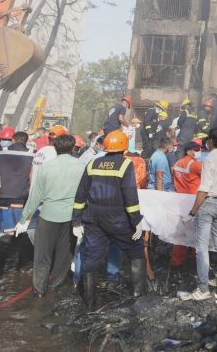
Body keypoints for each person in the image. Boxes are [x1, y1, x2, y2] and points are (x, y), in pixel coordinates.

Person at [72, 130, 145, 307]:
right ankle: (139, 296)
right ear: (124, 147)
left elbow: (81, 193)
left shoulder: (93, 163)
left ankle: (89, 302)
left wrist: (76, 221)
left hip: (93, 217)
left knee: (91, 257)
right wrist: (136, 221)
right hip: (117, 217)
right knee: (136, 250)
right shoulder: (125, 164)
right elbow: (129, 195)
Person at [14, 134, 86, 296]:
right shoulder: (82, 166)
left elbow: (35, 196)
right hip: (72, 217)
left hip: (48, 216)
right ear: (73, 148)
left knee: (42, 255)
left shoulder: (46, 167)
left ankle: (39, 290)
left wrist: (24, 219)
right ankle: (56, 286)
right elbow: (86, 194)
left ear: (55, 148)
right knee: (64, 255)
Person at [180, 129, 217, 300]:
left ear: (211, 141)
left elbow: (203, 190)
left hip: (208, 204)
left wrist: (192, 213)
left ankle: (203, 289)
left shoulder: (209, 159)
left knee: (201, 248)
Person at [171, 141, 202, 268]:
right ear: (189, 151)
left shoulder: (177, 163)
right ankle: (196, 260)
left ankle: (177, 262)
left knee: (181, 233)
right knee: (197, 232)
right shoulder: (195, 164)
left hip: (180, 200)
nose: (199, 152)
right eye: (197, 150)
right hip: (194, 202)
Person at [0, 131, 33, 233]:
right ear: (26, 141)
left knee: (0, 227)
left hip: (1, 194)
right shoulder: (32, 154)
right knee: (15, 228)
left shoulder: (0, 152)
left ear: (13, 140)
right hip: (20, 196)